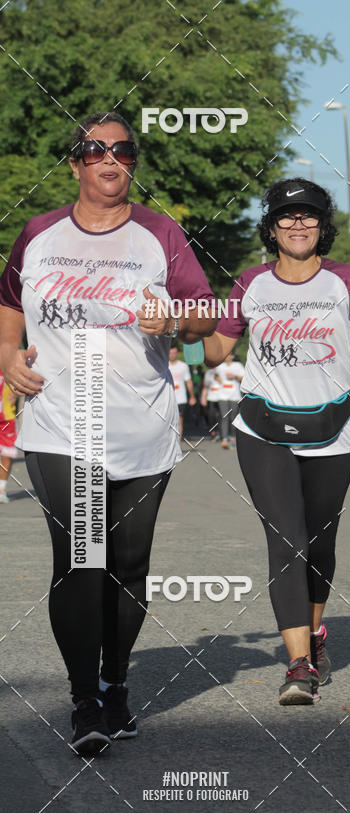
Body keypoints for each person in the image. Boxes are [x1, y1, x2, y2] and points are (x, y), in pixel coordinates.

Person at [0, 111, 216, 753]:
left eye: (122, 149)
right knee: (81, 559)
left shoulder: (161, 234)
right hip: (60, 424)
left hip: (141, 426)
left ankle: (116, 683)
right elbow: (9, 309)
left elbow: (206, 316)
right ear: (75, 164)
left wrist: (173, 319)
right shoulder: (37, 235)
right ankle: (83, 700)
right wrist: (7, 357)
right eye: (95, 149)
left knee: (129, 565)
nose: (110, 158)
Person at [202, 178, 350, 704]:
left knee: (319, 542)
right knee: (287, 540)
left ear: (323, 226)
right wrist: (179, 320)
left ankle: (315, 635)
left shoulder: (347, 282)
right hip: (262, 429)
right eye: (286, 215)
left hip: (333, 429)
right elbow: (214, 353)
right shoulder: (250, 283)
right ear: (271, 227)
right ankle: (298, 664)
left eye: (308, 215)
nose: (297, 224)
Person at [213, 352, 244, 448]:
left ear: (233, 356)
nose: (227, 357)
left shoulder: (237, 366)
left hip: (235, 396)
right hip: (222, 396)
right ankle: (224, 439)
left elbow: (243, 378)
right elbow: (215, 375)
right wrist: (217, 378)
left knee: (233, 417)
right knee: (224, 417)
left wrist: (234, 376)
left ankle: (233, 437)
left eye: (229, 355)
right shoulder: (220, 366)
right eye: (226, 355)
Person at [169, 344, 196, 438]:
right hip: (167, 398)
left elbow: (188, 381)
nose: (172, 355)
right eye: (170, 353)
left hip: (180, 398)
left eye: (174, 353)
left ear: (177, 353)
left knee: (179, 419)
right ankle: (169, 439)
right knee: (168, 419)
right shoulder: (164, 365)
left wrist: (192, 396)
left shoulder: (183, 366)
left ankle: (178, 440)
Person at [0, 370, 18, 503]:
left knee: (7, 454)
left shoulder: (10, 360)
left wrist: (16, 391)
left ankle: (1, 490)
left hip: (7, 417)